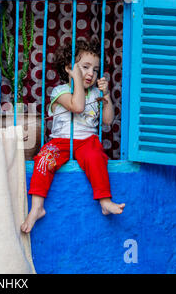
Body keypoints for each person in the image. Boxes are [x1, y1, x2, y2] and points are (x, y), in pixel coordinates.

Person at [21, 40, 125, 234]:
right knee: (44, 159)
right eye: (84, 67)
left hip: (87, 141)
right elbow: (77, 106)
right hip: (60, 141)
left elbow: (108, 121)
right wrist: (76, 80)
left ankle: (105, 201)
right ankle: (37, 207)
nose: (90, 74)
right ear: (69, 68)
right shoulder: (59, 91)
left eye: (95, 70)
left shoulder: (95, 93)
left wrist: (107, 96)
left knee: (97, 158)